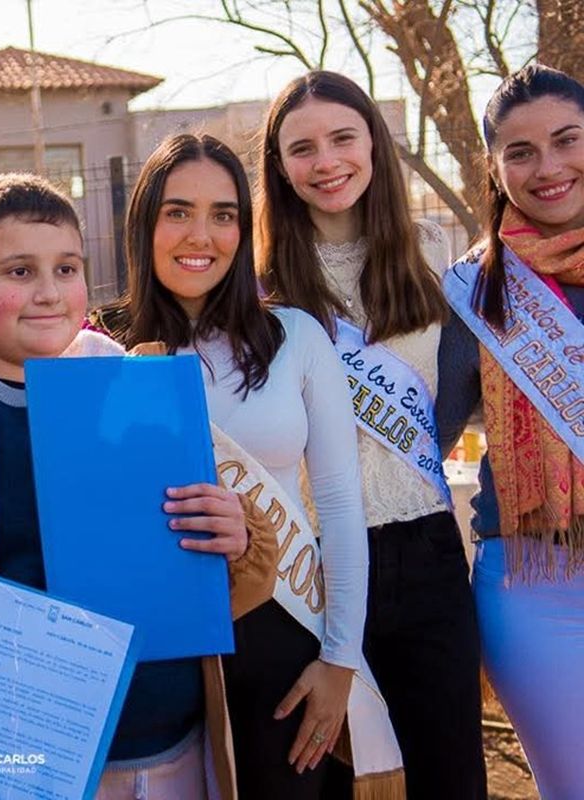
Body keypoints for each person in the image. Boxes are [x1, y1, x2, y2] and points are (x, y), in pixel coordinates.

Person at [0, 172, 281, 799]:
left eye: (67, 269)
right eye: (18, 272)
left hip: (172, 748)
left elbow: (232, 581)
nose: (48, 293)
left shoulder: (137, 391)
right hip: (17, 760)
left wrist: (236, 537)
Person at [110, 132, 396, 799]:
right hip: (154, 658)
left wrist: (339, 658)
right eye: (177, 211)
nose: (200, 235)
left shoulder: (295, 336)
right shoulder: (99, 344)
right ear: (144, 222)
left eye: (224, 213)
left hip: (281, 642)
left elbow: (340, 503)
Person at [257, 70, 485, 799]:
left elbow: (450, 397)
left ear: (375, 146)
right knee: (319, 776)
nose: (326, 162)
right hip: (308, 563)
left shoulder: (428, 250)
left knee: (451, 775)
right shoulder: (259, 285)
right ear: (280, 168)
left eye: (342, 138)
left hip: (425, 550)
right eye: (302, 149)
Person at [436, 63, 584, 800]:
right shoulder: (473, 292)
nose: (548, 167)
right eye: (520, 152)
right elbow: (418, 442)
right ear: (495, 168)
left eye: (567, 140)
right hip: (537, 591)